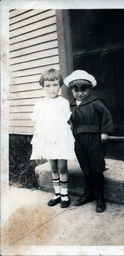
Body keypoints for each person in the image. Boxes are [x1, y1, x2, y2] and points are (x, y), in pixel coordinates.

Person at [64, 70, 114, 212]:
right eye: (76, 90)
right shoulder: (72, 106)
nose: (80, 93)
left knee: (96, 167)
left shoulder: (95, 103)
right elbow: (67, 121)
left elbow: (106, 116)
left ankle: (100, 196)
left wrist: (105, 131)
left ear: (89, 89)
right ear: (72, 90)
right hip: (78, 140)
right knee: (85, 166)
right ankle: (88, 193)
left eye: (83, 89)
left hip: (94, 139)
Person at [30, 68, 75, 208]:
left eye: (55, 85)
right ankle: (57, 193)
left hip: (60, 139)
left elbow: (67, 122)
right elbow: (36, 122)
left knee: (62, 167)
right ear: (43, 86)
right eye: (48, 86)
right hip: (48, 139)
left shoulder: (63, 102)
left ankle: (65, 195)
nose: (52, 89)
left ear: (60, 85)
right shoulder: (40, 104)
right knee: (53, 168)